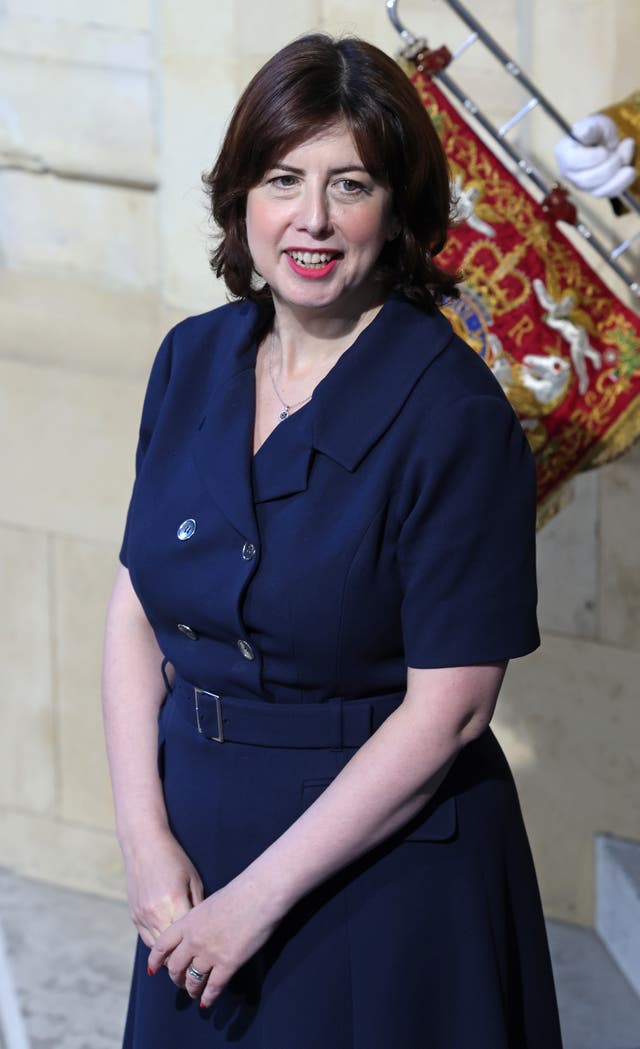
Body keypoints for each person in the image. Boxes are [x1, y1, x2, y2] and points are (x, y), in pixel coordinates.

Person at [102, 33, 564, 1049]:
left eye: (348, 183)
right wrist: (143, 841)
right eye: (282, 178)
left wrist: (253, 900)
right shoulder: (191, 358)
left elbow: (450, 711)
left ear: (395, 209)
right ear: (241, 200)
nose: (310, 219)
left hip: (380, 875)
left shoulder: (453, 415)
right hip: (192, 856)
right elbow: (138, 603)